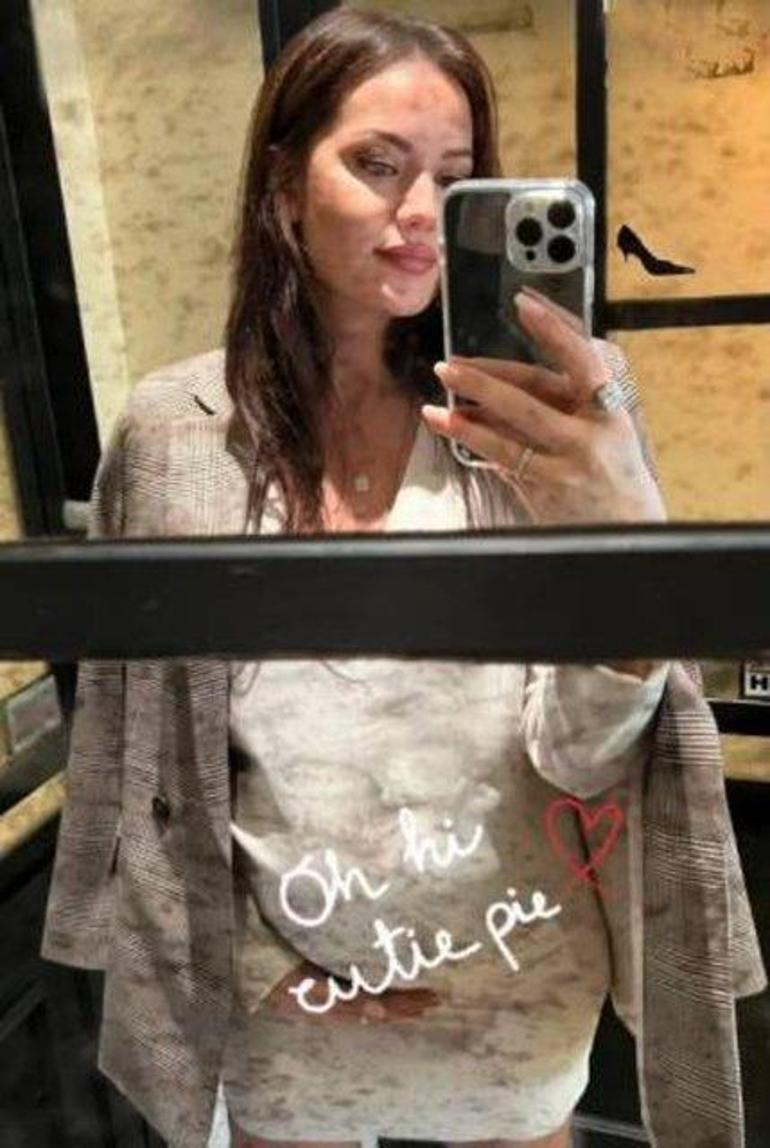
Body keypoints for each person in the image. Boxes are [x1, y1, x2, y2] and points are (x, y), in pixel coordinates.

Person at [40, 7, 766, 1148]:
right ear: (285, 185)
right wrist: (258, 962)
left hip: (515, 983)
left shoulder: (549, 415)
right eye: (377, 166)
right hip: (288, 1004)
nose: (421, 212)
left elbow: (587, 750)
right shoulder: (178, 431)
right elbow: (146, 746)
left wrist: (622, 519)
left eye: (455, 178)